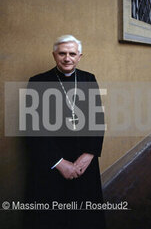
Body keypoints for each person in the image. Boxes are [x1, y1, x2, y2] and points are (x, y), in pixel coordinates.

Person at [25, 35, 105, 229]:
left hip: (84, 161)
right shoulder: (38, 82)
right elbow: (32, 126)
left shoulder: (88, 79)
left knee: (86, 215)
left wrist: (89, 154)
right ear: (54, 55)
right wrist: (59, 163)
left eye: (72, 54)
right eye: (62, 53)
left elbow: (97, 119)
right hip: (51, 162)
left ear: (79, 56)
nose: (67, 58)